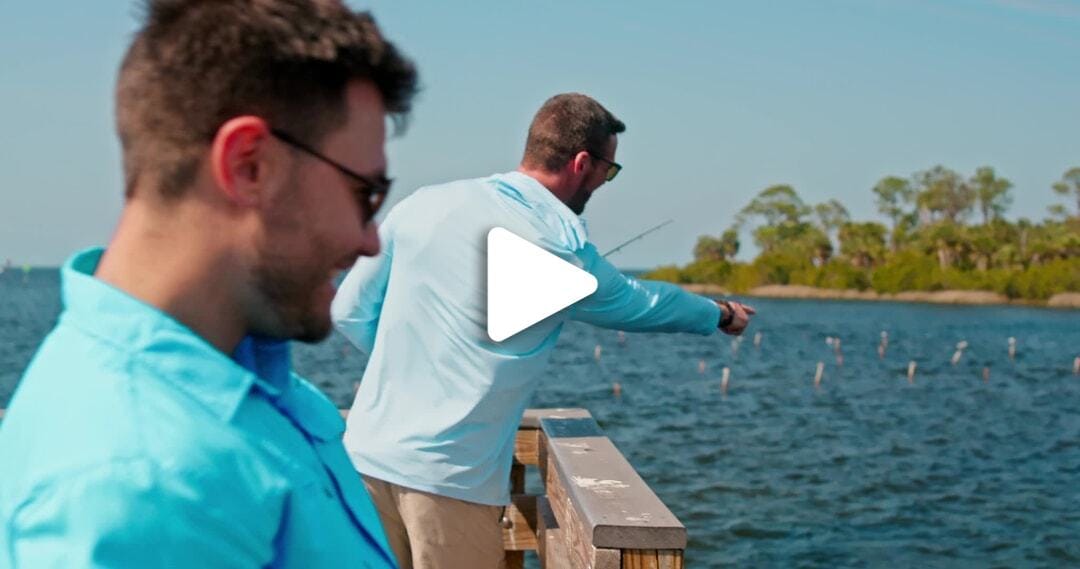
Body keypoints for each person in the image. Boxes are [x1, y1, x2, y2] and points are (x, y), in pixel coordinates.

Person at [0, 1, 417, 567]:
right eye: (364, 194)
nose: (371, 240)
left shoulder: (240, 374)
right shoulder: (138, 489)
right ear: (250, 166)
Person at [332, 93, 755, 568]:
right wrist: (718, 314)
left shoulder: (423, 205)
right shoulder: (556, 246)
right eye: (608, 171)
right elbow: (642, 303)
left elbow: (348, 310)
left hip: (361, 461)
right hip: (450, 481)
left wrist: (414, 366)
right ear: (581, 163)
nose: (604, 183)